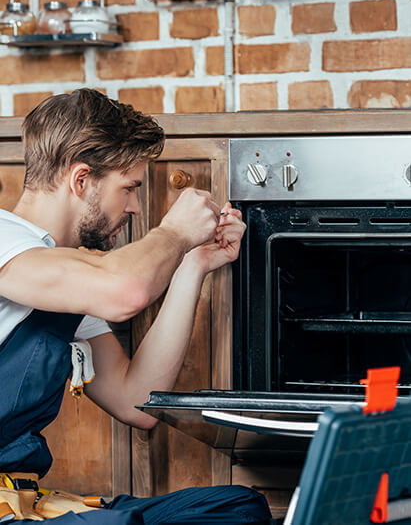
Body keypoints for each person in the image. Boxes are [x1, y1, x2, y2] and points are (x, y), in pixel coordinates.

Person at [0, 89, 272, 524]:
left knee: (237, 509)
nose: (135, 207)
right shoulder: (5, 242)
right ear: (81, 180)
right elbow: (124, 292)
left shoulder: (69, 277)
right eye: (129, 188)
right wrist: (175, 233)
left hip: (23, 503)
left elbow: (135, 401)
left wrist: (193, 264)